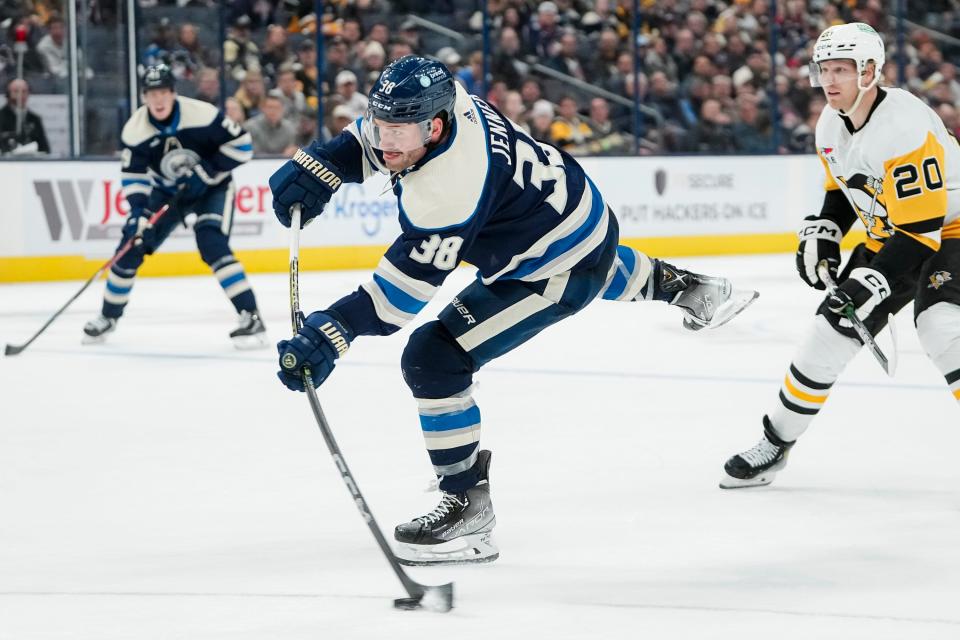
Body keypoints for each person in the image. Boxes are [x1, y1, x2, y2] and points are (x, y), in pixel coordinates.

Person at [269, 56, 757, 565]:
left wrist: (332, 333)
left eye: (399, 130)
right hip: (573, 213)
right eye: (381, 124)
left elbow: (395, 304)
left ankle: (467, 506)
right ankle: (692, 288)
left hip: (554, 265)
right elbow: (379, 136)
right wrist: (321, 163)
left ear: (433, 127)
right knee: (584, 260)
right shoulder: (446, 101)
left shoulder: (447, 193)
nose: (385, 140)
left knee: (435, 357)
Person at [721, 23, 960, 488]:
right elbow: (843, 187)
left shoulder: (905, 124)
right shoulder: (831, 122)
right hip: (893, 234)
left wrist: (873, 279)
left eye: (842, 70)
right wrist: (827, 232)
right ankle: (775, 445)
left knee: (941, 326)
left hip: (949, 228)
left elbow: (922, 228)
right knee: (827, 334)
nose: (829, 80)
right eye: (824, 70)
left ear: (869, 71)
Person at [83, 64, 266, 349]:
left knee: (211, 242)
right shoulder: (135, 130)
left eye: (164, 92)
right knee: (131, 245)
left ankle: (251, 316)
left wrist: (205, 172)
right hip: (167, 194)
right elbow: (134, 176)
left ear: (173, 93)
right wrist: (138, 212)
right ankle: (108, 317)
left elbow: (243, 145)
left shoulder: (202, 115)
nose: (158, 100)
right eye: (152, 93)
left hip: (212, 188)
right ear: (144, 96)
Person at [0, 78, 50, 155]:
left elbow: (45, 149)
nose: (20, 95)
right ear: (8, 94)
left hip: (31, 164)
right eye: (16, 91)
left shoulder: (34, 119)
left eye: (24, 91)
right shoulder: (2, 117)